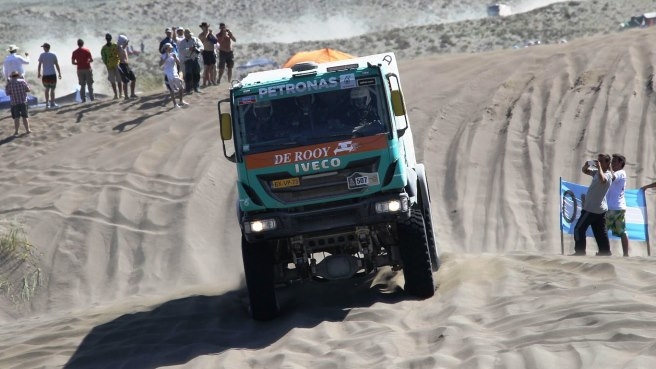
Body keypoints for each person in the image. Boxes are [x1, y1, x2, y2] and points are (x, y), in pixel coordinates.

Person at [572, 154, 613, 256]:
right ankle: (605, 252)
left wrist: (599, 168)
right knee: (600, 233)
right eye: (598, 161)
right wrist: (587, 165)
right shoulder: (596, 173)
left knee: (578, 229)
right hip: (598, 209)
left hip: (591, 209)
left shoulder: (607, 175)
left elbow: (602, 180)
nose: (598, 163)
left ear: (607, 163)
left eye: (601, 161)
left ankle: (580, 252)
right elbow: (584, 171)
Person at [606, 154, 629, 257]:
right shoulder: (619, 173)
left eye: (614, 162)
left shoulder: (620, 173)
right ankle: (625, 254)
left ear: (620, 163)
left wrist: (609, 168)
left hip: (613, 208)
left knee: (603, 229)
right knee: (622, 231)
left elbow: (613, 177)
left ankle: (605, 251)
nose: (612, 164)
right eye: (612, 162)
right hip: (618, 207)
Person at [159, 43, 186, 108]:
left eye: (171, 47)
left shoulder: (174, 54)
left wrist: (175, 57)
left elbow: (179, 63)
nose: (171, 48)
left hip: (175, 73)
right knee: (171, 90)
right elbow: (160, 64)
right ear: (166, 49)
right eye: (170, 47)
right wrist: (166, 57)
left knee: (181, 87)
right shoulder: (163, 55)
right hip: (168, 74)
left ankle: (181, 101)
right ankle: (175, 104)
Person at [5, 71, 32, 135]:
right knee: (25, 117)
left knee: (16, 118)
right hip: (23, 101)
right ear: (17, 76)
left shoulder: (9, 84)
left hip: (14, 103)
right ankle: (27, 130)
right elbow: (28, 90)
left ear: (11, 77)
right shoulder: (22, 81)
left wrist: (7, 85)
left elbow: (7, 93)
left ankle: (16, 131)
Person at [37, 42, 62, 109]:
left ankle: (47, 103)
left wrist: (39, 73)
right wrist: (59, 73)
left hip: (45, 75)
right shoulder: (53, 54)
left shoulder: (42, 55)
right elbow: (56, 64)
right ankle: (52, 103)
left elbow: (39, 65)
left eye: (43, 47)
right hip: (52, 74)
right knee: (52, 89)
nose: (43, 48)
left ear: (46, 48)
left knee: (47, 89)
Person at [178, 29, 202, 94]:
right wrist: (189, 49)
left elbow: (202, 46)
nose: (189, 35)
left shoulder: (196, 39)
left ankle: (196, 87)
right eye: (187, 34)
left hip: (195, 58)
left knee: (196, 74)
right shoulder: (182, 42)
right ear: (185, 35)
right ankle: (188, 89)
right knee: (188, 74)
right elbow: (181, 51)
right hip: (187, 59)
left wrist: (197, 49)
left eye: (189, 34)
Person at [101, 33, 123, 99]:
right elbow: (104, 58)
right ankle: (118, 94)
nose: (108, 39)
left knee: (116, 80)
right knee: (115, 81)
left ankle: (118, 94)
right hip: (113, 65)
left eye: (108, 38)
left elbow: (104, 58)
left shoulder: (112, 46)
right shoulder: (107, 47)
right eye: (108, 38)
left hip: (113, 65)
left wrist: (107, 64)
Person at [117, 35, 137, 99]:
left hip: (126, 65)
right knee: (125, 81)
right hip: (121, 65)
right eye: (126, 42)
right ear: (122, 42)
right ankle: (126, 96)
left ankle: (132, 94)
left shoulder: (124, 48)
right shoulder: (119, 48)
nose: (127, 43)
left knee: (133, 79)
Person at [198, 21, 217, 87]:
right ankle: (205, 82)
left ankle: (211, 80)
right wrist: (206, 34)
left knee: (212, 67)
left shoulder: (210, 34)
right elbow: (202, 40)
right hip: (206, 52)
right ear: (202, 28)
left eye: (206, 27)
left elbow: (215, 41)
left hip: (211, 52)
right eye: (204, 27)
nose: (205, 28)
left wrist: (210, 34)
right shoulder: (201, 35)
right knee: (206, 68)